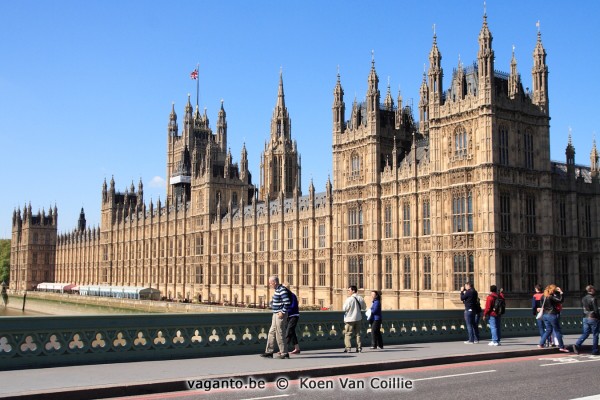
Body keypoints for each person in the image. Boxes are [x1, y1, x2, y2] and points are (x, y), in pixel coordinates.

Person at [260, 276, 291, 359]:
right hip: (275, 314)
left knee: (280, 333)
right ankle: (269, 352)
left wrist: (282, 312)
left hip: (280, 315)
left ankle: (284, 352)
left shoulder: (282, 290)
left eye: (270, 283)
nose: (270, 285)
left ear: (275, 282)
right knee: (271, 332)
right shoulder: (277, 290)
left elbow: (287, 302)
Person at [538, 284, 569, 352]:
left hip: (545, 315)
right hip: (552, 315)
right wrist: (561, 293)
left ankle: (541, 344)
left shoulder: (543, 296)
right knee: (557, 331)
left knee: (548, 330)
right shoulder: (551, 297)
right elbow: (560, 300)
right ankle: (561, 347)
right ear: (552, 290)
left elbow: (541, 305)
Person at [572, 285, 599, 355]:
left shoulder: (583, 298)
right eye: (593, 289)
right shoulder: (593, 298)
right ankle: (595, 350)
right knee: (595, 334)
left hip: (585, 317)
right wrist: (598, 317)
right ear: (591, 290)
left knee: (586, 333)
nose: (595, 290)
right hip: (593, 318)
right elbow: (596, 310)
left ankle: (577, 344)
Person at [343, 285, 366, 353]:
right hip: (358, 318)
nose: (348, 291)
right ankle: (358, 348)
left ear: (353, 291)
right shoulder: (361, 298)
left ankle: (348, 348)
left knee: (348, 334)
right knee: (358, 334)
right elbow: (364, 307)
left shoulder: (349, 299)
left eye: (349, 290)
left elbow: (344, 309)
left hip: (350, 318)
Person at [284, 284, 301, 355]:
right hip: (288, 317)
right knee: (292, 332)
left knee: (288, 332)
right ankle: (297, 348)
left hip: (294, 316)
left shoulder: (292, 295)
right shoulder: (284, 296)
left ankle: (284, 350)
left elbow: (293, 306)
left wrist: (285, 310)